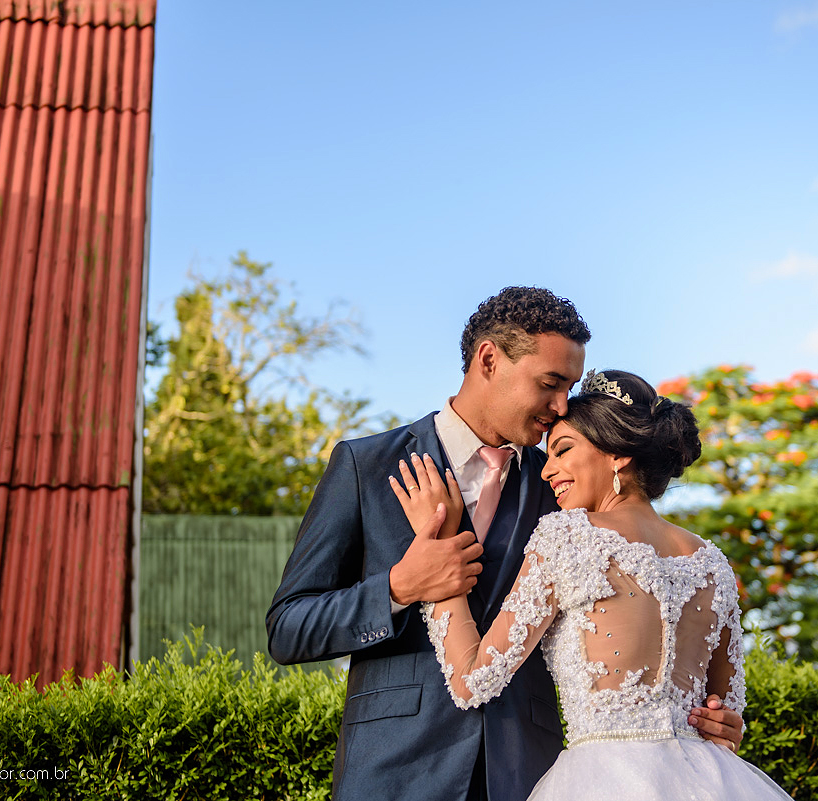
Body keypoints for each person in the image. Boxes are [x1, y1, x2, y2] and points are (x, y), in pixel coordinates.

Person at [267, 289, 744, 801]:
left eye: (570, 388)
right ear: (489, 360)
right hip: (395, 772)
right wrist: (401, 586)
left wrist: (711, 722)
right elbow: (289, 628)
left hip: (530, 776)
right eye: (550, 383)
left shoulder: (566, 487)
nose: (562, 405)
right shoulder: (367, 466)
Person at [393, 369, 792, 801]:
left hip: (603, 780)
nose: (548, 471)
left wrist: (439, 562)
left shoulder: (568, 537)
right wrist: (723, 729)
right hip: (713, 782)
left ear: (618, 453)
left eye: (563, 450)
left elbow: (473, 682)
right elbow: (724, 719)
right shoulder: (711, 562)